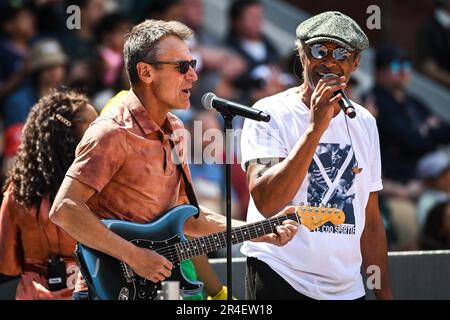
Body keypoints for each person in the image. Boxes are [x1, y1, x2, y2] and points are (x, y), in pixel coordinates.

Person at [48, 19, 298, 300]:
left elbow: (188, 218)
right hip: (107, 291)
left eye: (193, 64)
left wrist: (259, 231)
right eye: (182, 66)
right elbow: (64, 209)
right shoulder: (111, 132)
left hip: (161, 291)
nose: (193, 75)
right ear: (145, 72)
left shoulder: (177, 129)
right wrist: (135, 256)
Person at [240, 11, 392, 300]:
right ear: (301, 54)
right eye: (319, 50)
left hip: (346, 288)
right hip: (282, 276)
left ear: (356, 62)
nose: (330, 62)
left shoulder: (364, 122)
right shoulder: (269, 113)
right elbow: (266, 201)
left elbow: (370, 222)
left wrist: (384, 295)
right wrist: (315, 128)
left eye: (342, 53)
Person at [0, 89, 98, 299]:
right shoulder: (100, 189)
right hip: (88, 291)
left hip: (33, 293)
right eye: (93, 127)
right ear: (69, 137)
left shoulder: (17, 192)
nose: (101, 133)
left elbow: (7, 265)